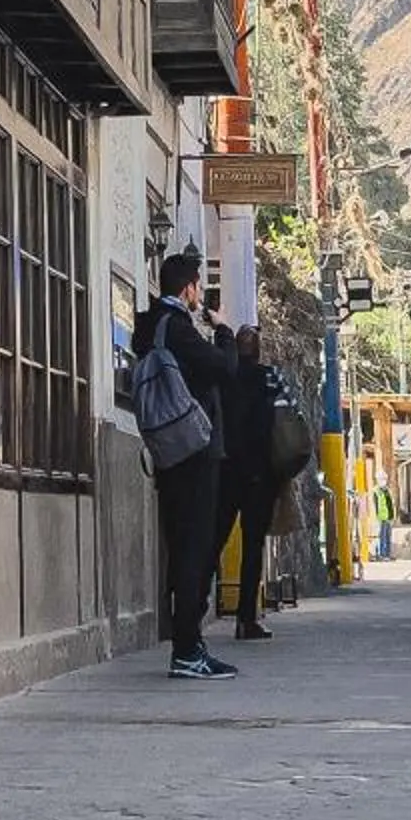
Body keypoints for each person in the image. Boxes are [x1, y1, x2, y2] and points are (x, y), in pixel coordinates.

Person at [133, 252, 236, 680]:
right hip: (195, 449)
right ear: (189, 288)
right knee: (196, 546)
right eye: (197, 288)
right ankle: (188, 648)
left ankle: (187, 643)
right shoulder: (178, 328)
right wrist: (224, 329)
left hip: (167, 449)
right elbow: (225, 368)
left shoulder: (148, 326)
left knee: (180, 546)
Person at [213, 324, 280, 642]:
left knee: (213, 542)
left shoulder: (222, 377)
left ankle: (191, 609)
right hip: (259, 474)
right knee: (253, 547)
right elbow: (281, 421)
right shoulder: (269, 377)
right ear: (259, 349)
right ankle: (245, 619)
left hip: (225, 469)